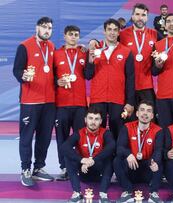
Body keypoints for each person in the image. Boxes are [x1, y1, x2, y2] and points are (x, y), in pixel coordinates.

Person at [13, 16, 56, 187]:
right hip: (30, 101)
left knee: (44, 137)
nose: (47, 30)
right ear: (37, 27)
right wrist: (23, 76)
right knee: (26, 137)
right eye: (44, 27)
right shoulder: (25, 46)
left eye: (50, 28)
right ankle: (25, 170)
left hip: (49, 101)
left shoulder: (52, 47)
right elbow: (17, 70)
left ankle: (38, 167)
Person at [54, 25, 94, 181]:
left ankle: (79, 166)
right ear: (64, 36)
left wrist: (90, 59)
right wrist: (57, 81)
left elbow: (89, 75)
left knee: (80, 138)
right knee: (62, 138)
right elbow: (51, 77)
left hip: (80, 105)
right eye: (70, 34)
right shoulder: (55, 54)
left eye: (76, 34)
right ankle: (64, 167)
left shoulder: (83, 52)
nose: (73, 37)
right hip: (61, 104)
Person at [88, 18, 135, 140]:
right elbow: (88, 75)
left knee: (118, 133)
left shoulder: (126, 52)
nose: (112, 32)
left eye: (115, 30)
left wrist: (130, 102)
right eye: (109, 29)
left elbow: (130, 78)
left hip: (117, 99)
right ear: (104, 31)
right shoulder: (94, 49)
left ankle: (117, 159)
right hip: (98, 98)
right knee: (97, 134)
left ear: (119, 32)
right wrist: (90, 62)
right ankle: (97, 159)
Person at [61, 106, 115, 203]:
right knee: (68, 157)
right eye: (90, 118)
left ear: (101, 121)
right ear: (85, 120)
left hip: (100, 172)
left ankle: (103, 194)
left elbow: (111, 147)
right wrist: (82, 160)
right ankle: (77, 193)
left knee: (111, 156)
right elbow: (64, 147)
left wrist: (93, 160)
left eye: (96, 119)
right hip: (83, 171)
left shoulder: (106, 133)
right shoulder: (79, 133)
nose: (93, 122)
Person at [113, 100, 163, 203]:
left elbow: (158, 150)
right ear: (137, 113)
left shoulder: (158, 130)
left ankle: (153, 193)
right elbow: (119, 148)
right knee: (117, 160)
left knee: (161, 161)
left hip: (148, 169)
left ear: (152, 115)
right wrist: (128, 154)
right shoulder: (127, 127)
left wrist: (155, 161)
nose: (145, 113)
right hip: (131, 167)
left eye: (149, 111)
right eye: (142, 110)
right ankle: (127, 191)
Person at [119, 4, 162, 116]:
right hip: (127, 87)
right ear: (132, 16)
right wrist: (93, 42)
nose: (140, 17)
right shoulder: (122, 35)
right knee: (128, 121)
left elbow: (170, 44)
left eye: (143, 15)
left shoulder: (155, 34)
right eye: (137, 14)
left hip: (147, 87)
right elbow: (108, 43)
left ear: (147, 18)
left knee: (150, 121)